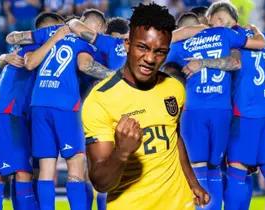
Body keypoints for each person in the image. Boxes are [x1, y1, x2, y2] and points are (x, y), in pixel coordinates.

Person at [82, 3, 209, 210]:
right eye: (143, 47)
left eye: (160, 52)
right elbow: (101, 183)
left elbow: (173, 137)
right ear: (126, 44)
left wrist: (193, 183)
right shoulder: (100, 100)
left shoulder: (174, 88)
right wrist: (121, 152)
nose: (150, 58)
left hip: (180, 204)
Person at [199, 2, 265, 210]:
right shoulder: (263, 40)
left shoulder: (231, 40)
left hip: (245, 114)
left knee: (237, 170)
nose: (217, 25)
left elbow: (231, 65)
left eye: (220, 21)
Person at [165, 3, 265, 209]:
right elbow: (257, 46)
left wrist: (186, 40)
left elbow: (159, 50)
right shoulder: (226, 34)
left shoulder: (181, 46)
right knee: (215, 167)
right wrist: (257, 32)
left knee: (199, 167)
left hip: (194, 111)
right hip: (222, 110)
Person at [16, 14, 100, 210]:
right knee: (76, 165)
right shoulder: (80, 40)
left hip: (39, 104)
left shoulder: (42, 39)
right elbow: (85, 64)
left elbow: (26, 59)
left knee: (46, 170)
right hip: (65, 105)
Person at [0, 12, 64, 210]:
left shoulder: (24, 46)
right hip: (9, 113)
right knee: (22, 172)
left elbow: (4, 58)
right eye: (60, 30)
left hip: (0, 111)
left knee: (0, 173)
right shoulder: (39, 47)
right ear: (49, 31)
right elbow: (28, 61)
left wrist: (3, 57)